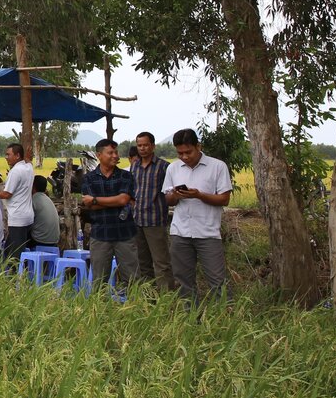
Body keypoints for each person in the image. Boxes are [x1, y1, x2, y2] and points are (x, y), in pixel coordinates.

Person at [162, 128, 234, 302]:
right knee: (183, 280)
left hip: (207, 232)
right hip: (180, 232)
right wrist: (175, 195)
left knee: (217, 279)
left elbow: (224, 199)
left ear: (198, 146)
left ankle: (225, 316)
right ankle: (190, 319)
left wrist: (199, 195)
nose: (185, 157)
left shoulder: (217, 166)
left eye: (188, 152)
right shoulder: (173, 168)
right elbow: (168, 200)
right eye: (180, 153)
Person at [80, 138, 137, 289]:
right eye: (110, 152)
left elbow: (123, 200)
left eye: (116, 152)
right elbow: (90, 206)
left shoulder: (126, 176)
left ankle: (133, 309)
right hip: (100, 234)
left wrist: (95, 200)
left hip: (125, 234)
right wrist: (110, 201)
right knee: (99, 281)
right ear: (99, 155)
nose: (115, 156)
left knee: (131, 279)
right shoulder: (89, 178)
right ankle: (99, 311)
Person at [128, 132, 172, 290]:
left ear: (153, 146)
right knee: (143, 262)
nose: (142, 148)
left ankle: (166, 298)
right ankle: (149, 298)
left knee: (161, 263)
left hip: (155, 220)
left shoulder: (164, 166)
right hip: (138, 219)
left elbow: (169, 192)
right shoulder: (135, 166)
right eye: (139, 145)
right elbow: (132, 189)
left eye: (145, 145)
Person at [0, 142, 35, 258]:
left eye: (8, 155)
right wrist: (26, 156)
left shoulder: (15, 171)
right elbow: (29, 162)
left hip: (18, 218)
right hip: (28, 217)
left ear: (17, 156)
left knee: (14, 254)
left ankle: (14, 274)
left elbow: (7, 194)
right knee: (11, 249)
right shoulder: (28, 168)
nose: (6, 157)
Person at [30, 174, 60, 249]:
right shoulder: (48, 199)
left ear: (33, 187)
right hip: (54, 241)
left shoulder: (33, 200)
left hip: (40, 241)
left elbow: (26, 222)